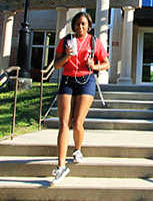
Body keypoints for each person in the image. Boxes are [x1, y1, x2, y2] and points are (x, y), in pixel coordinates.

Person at [51, 12, 110, 185]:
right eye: (77, 24)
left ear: (89, 25)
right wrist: (67, 56)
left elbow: (106, 63)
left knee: (77, 122)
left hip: (87, 80)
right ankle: (61, 166)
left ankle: (77, 149)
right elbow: (56, 65)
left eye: (83, 24)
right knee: (63, 123)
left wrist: (95, 65)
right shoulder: (66, 40)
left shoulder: (94, 42)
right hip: (68, 80)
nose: (80, 27)